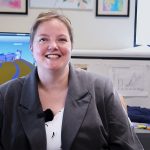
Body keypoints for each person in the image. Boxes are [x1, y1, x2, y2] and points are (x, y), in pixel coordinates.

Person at [0, 11, 143, 150]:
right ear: (31, 46)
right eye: (43, 39)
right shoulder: (6, 96)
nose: (53, 46)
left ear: (71, 46)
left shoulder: (101, 89)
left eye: (61, 39)